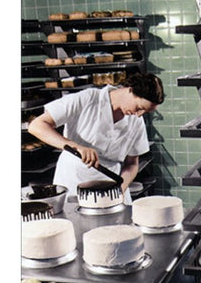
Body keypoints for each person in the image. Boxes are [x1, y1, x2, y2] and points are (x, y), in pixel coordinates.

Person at [28, 72, 164, 203]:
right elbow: (36, 126)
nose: (139, 115)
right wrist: (76, 147)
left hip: (112, 185)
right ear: (130, 90)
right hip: (74, 181)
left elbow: (132, 164)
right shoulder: (88, 99)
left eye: (145, 112)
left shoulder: (136, 121)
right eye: (139, 107)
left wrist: (120, 188)